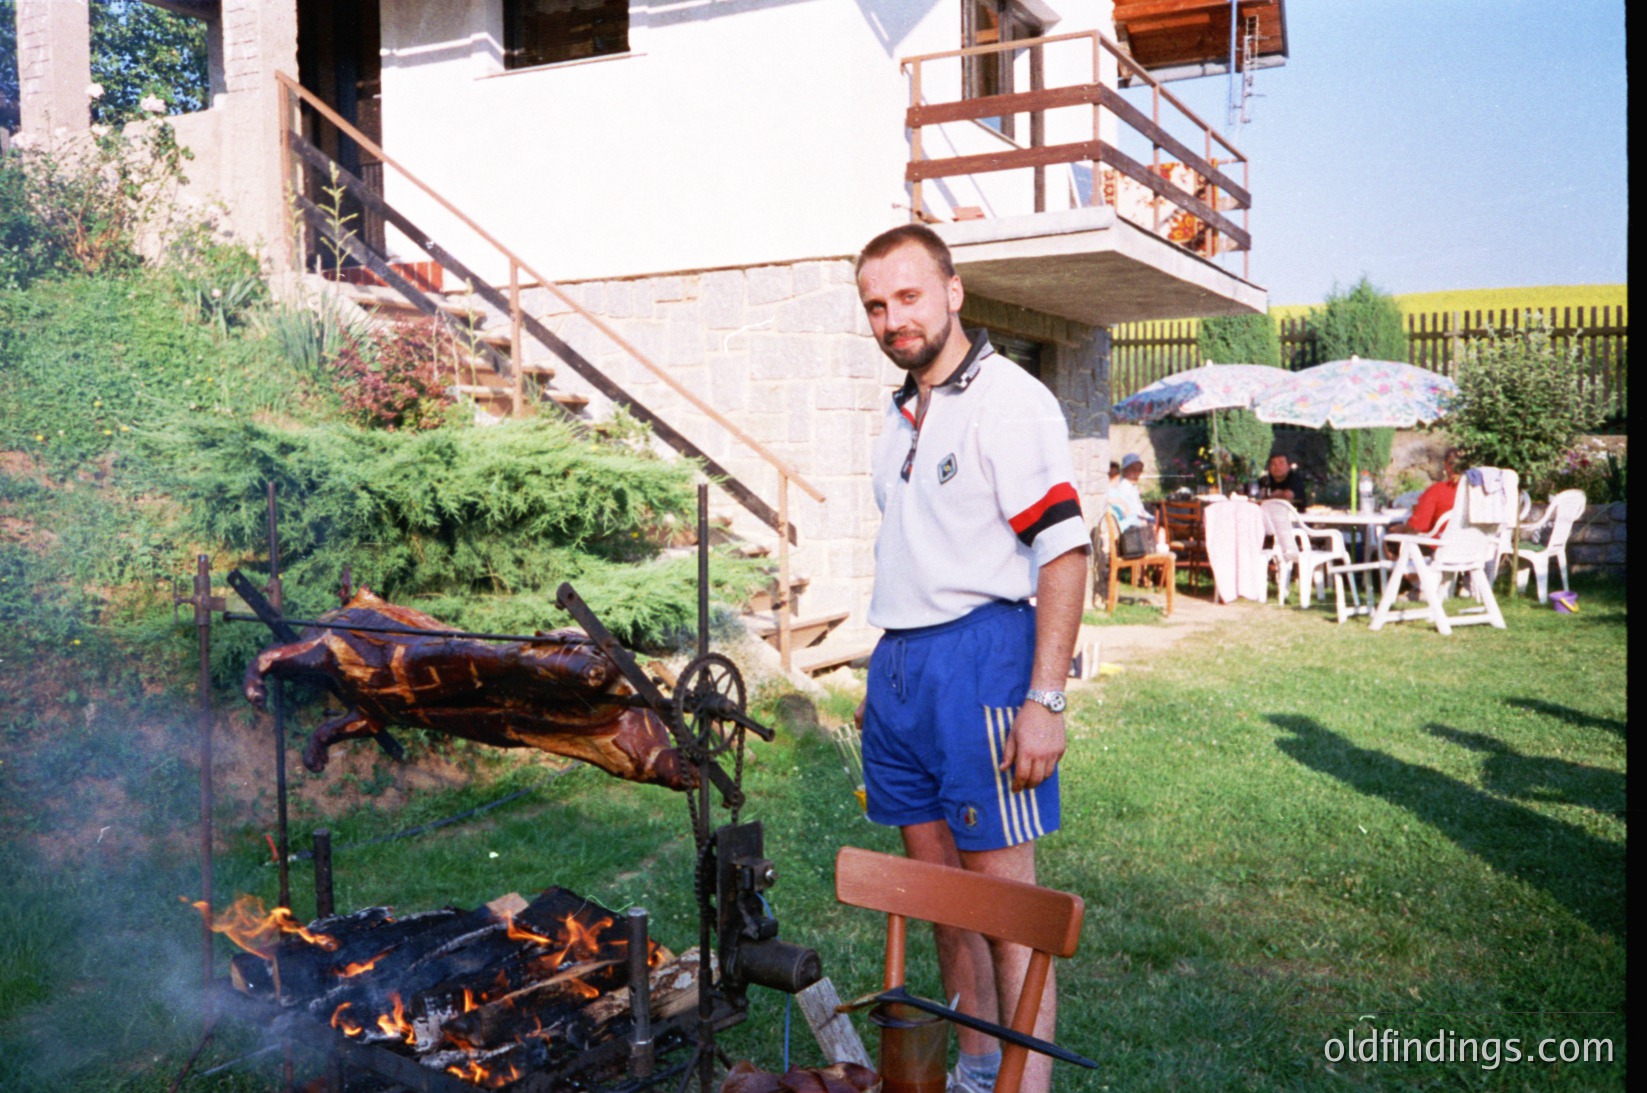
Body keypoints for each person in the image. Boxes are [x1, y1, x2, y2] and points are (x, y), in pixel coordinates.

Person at [852, 223, 1088, 1093]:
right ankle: (974, 1070)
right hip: (902, 668)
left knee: (1005, 912)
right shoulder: (898, 411)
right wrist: (885, 680)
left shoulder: (1009, 399)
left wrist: (1045, 698)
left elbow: (1063, 550)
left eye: (907, 296)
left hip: (982, 661)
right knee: (937, 898)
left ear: (953, 292)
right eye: (876, 305)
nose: (892, 318)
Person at [1109, 453, 1155, 531]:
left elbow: (1140, 509)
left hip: (1137, 520)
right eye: (1133, 470)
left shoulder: (1132, 487)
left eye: (1139, 470)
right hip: (1132, 525)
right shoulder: (1124, 487)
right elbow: (1131, 512)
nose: (1137, 473)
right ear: (1124, 471)